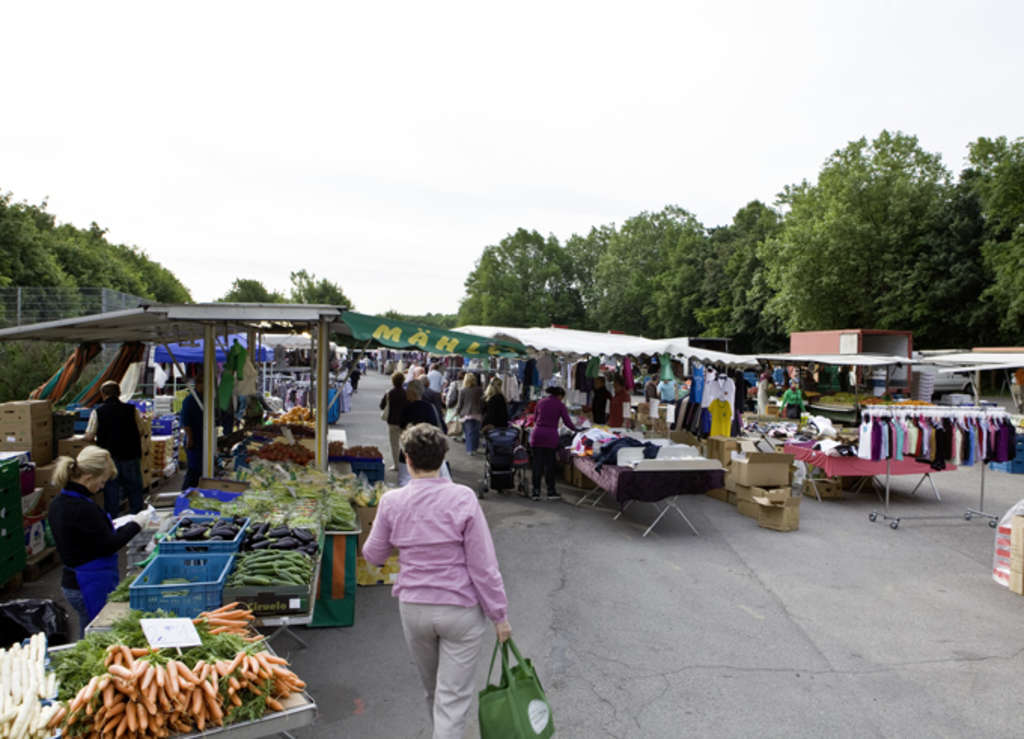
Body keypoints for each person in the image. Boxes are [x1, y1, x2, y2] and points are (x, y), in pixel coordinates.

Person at [363, 424, 510, 738]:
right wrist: (499, 616)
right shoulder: (462, 498)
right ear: (443, 456)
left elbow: (373, 555)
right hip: (461, 610)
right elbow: (483, 564)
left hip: (414, 609)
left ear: (407, 458)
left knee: (433, 691)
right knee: (452, 700)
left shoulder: (392, 502)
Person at [48, 446, 152, 636]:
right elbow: (109, 544)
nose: (102, 486)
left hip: (74, 580)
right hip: (87, 582)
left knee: (88, 628)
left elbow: (86, 537)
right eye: (102, 481)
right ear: (88, 478)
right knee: (96, 633)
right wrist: (136, 524)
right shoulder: (81, 508)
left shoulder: (59, 503)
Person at [84, 380, 144, 515]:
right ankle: (138, 516)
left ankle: (113, 521)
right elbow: (141, 430)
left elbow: (89, 435)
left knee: (112, 490)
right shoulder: (131, 410)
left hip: (109, 457)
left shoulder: (98, 412)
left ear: (103, 394)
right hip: (130, 454)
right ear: (119, 393)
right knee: (134, 487)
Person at [529, 385, 579, 501]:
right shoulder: (560, 405)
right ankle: (551, 491)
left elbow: (535, 419)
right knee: (549, 464)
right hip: (550, 437)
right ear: (560, 396)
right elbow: (567, 422)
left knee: (537, 464)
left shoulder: (541, 402)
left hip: (537, 435)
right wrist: (576, 429)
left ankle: (536, 492)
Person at [381, 372, 411, 471]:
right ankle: (409, 464)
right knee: (406, 444)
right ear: (403, 381)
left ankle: (396, 465)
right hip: (404, 422)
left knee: (394, 445)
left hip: (392, 421)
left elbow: (382, 405)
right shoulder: (407, 393)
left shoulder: (389, 393)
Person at [180, 375, 204, 490]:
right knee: (193, 469)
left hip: (202, 438)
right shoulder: (190, 400)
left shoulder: (204, 398)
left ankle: (195, 492)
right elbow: (185, 421)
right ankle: (185, 493)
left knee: (199, 469)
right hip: (194, 439)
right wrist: (190, 438)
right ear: (199, 384)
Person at [456, 372, 484, 456]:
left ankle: (470, 449)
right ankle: (474, 448)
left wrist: (457, 411)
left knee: (468, 433)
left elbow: (460, 403)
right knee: (475, 432)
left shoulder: (463, 390)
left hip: (466, 414)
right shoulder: (480, 390)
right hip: (478, 414)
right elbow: (482, 402)